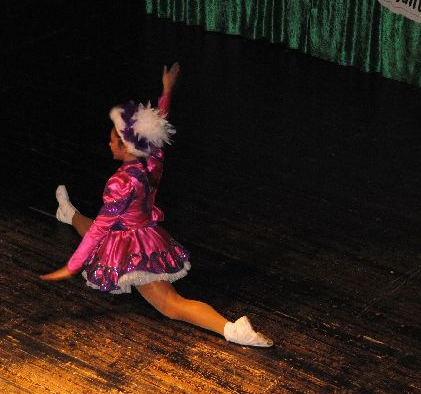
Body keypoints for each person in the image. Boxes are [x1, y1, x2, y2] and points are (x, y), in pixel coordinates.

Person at [40, 62, 272, 347]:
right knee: (101, 234)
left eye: (113, 140)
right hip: (142, 231)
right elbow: (159, 123)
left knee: (171, 305)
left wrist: (71, 266)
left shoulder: (120, 183)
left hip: (134, 246)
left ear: (127, 146)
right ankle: (68, 212)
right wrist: (166, 91)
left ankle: (232, 329)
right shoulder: (152, 158)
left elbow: (100, 228)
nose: (109, 143)